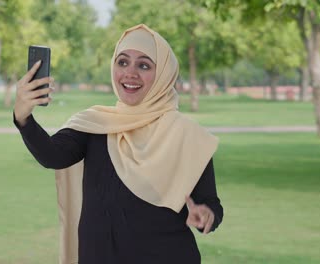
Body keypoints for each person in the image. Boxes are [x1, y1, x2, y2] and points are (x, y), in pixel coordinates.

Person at [14, 24, 223, 264]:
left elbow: (210, 203)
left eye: (144, 65)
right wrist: (23, 118)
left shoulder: (187, 135)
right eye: (122, 62)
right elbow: (53, 156)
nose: (130, 73)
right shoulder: (96, 123)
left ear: (164, 74)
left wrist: (207, 215)